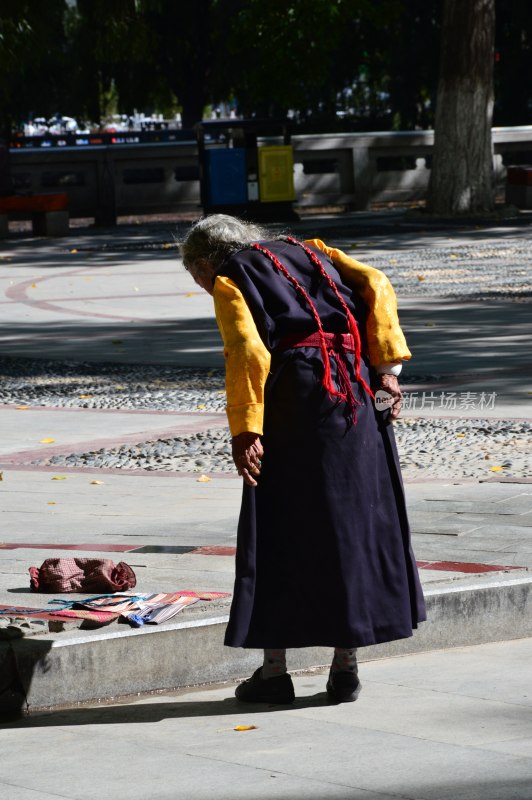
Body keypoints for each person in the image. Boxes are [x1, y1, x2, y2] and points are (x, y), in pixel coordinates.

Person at [181, 214, 426, 704]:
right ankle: (345, 669)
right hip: (354, 386)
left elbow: (248, 350)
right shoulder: (316, 250)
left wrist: (247, 428)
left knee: (280, 523)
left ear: (207, 262)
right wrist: (387, 370)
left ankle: (274, 673)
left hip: (295, 396)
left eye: (196, 278)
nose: (204, 286)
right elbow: (376, 284)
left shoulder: (233, 275)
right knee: (351, 519)